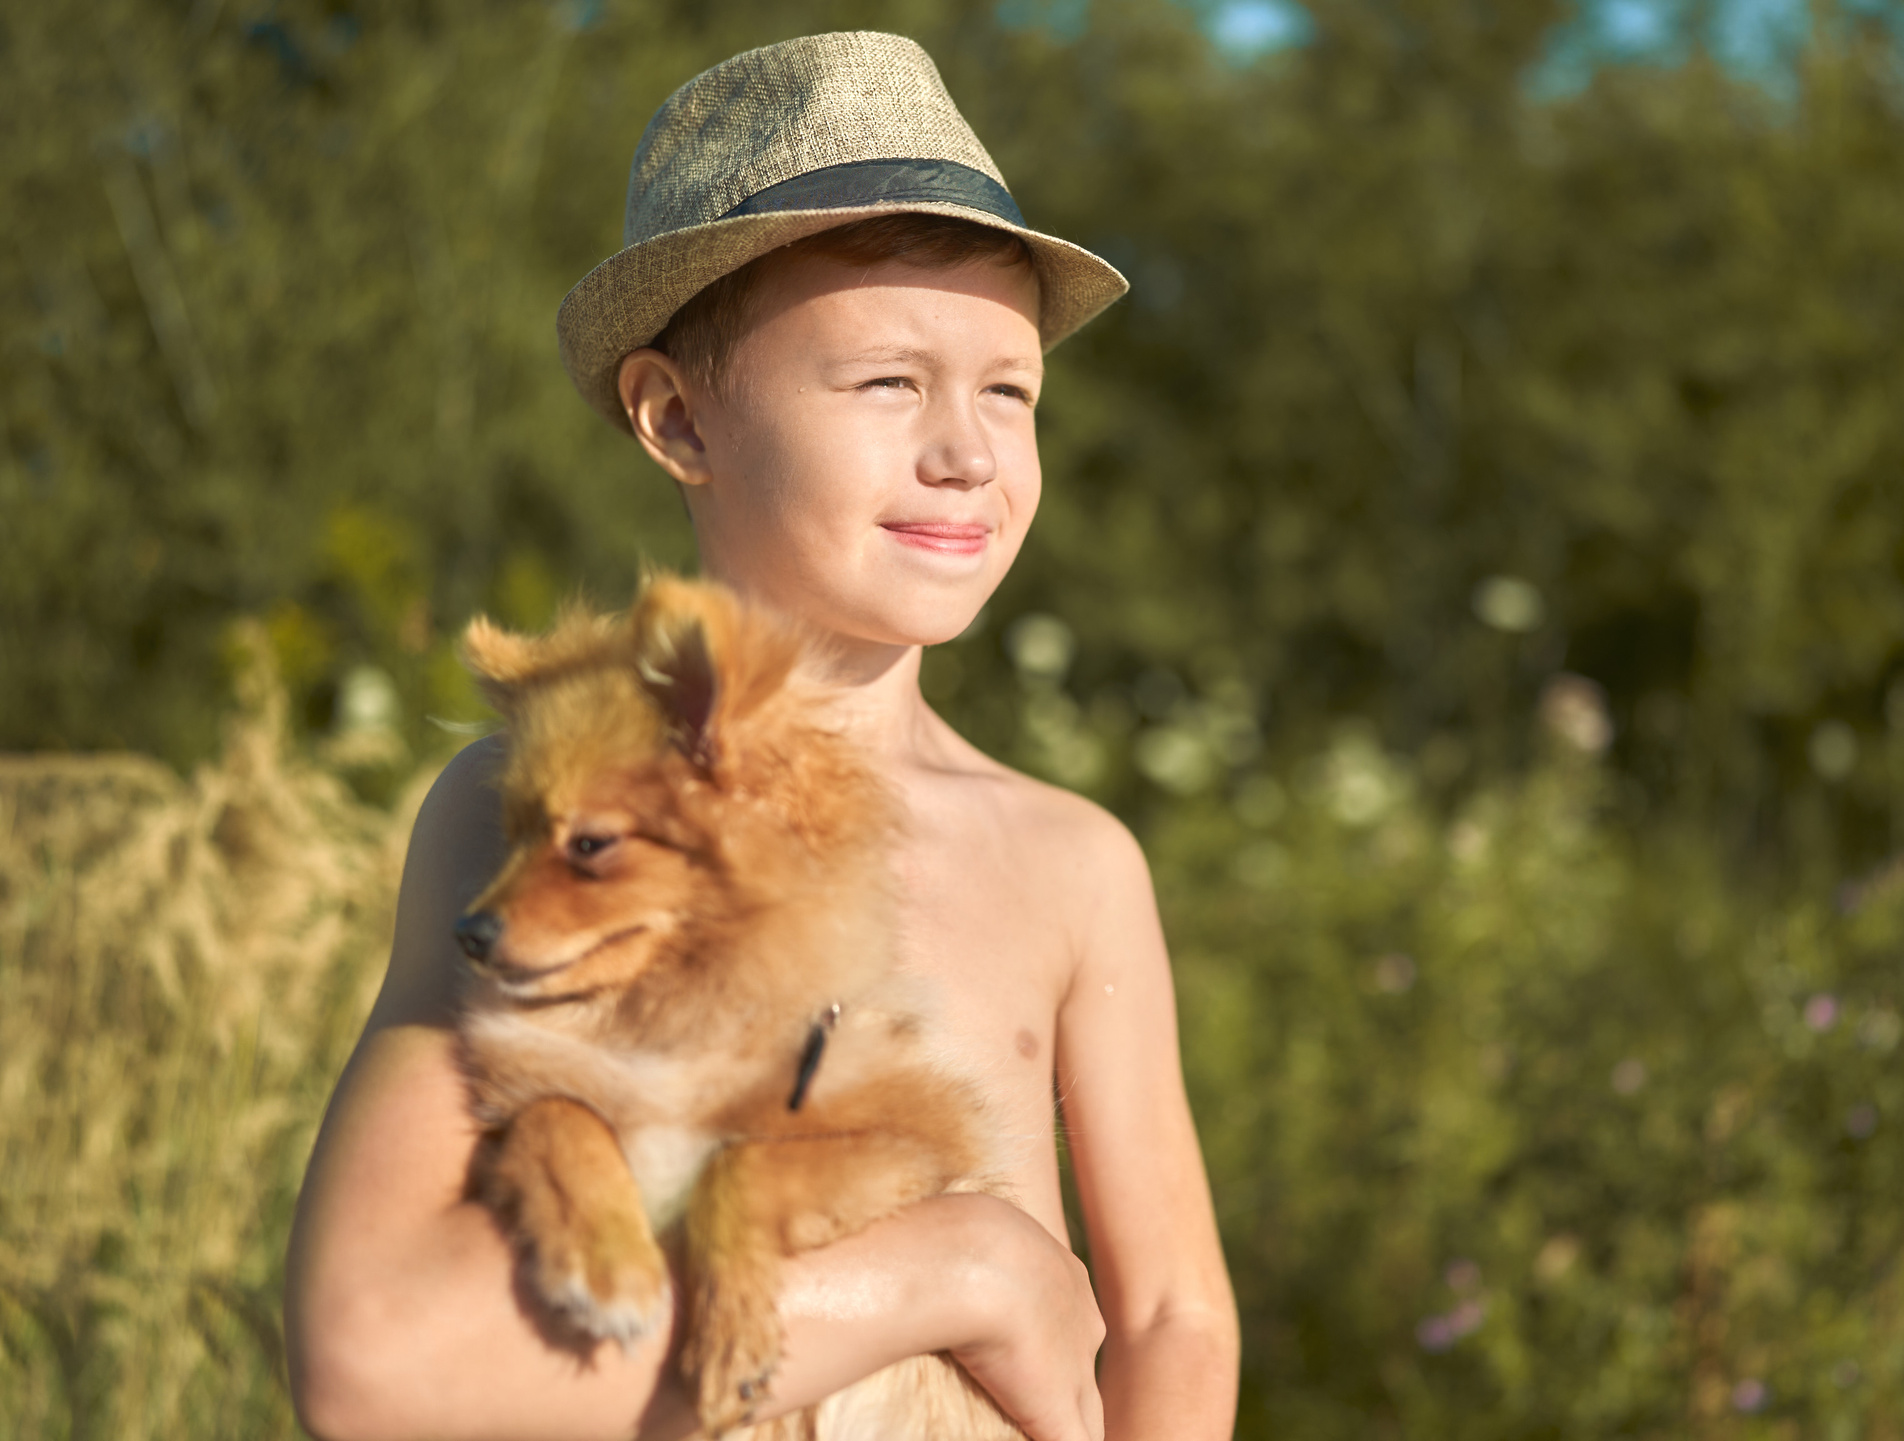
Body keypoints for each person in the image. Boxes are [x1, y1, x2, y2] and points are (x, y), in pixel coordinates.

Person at [283, 32, 1238, 1441]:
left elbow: (1170, 1321)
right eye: (887, 382)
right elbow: (372, 1365)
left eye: (1009, 389)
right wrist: (953, 1268)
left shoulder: (1070, 861)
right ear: (677, 419)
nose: (968, 450)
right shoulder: (535, 813)